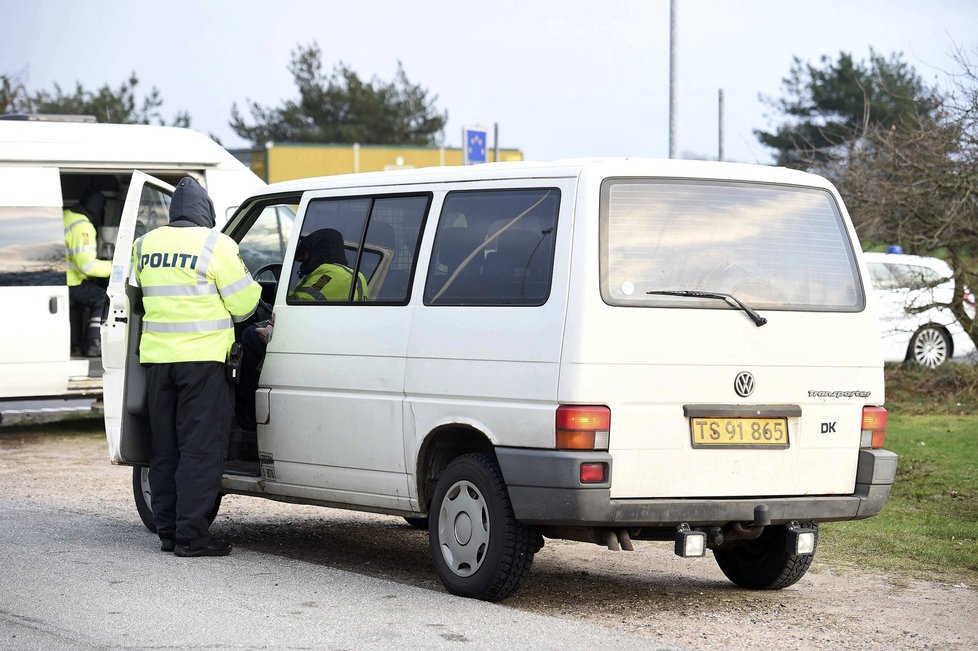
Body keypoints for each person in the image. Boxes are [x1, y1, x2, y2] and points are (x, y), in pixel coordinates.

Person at [130, 176, 260, 557]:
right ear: (206, 212)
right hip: (203, 364)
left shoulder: (145, 244)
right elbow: (244, 305)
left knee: (165, 450)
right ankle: (192, 537)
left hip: (158, 363)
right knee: (200, 451)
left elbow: (136, 294)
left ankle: (168, 532)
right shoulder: (216, 244)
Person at [235, 228, 367, 432]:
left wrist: (270, 326)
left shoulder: (329, 275)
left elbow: (298, 307)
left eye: (305, 254)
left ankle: (248, 416)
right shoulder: (355, 274)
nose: (302, 260)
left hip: (309, 340)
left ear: (319, 250)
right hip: (330, 338)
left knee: (249, 335)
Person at [64, 189, 112, 356]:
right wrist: (115, 267)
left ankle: (75, 343)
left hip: (59, 281)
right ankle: (93, 343)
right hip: (70, 283)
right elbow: (87, 266)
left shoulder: (66, 216)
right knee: (103, 298)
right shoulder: (82, 226)